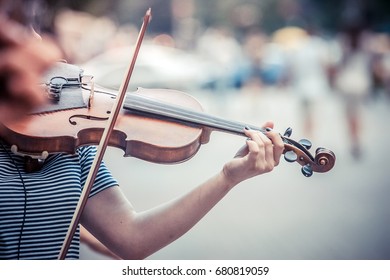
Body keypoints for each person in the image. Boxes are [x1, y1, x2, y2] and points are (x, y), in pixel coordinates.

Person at [0, 11, 284, 260]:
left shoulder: (69, 140)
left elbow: (133, 239)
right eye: (16, 29)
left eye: (34, 26)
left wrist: (228, 177)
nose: (39, 43)